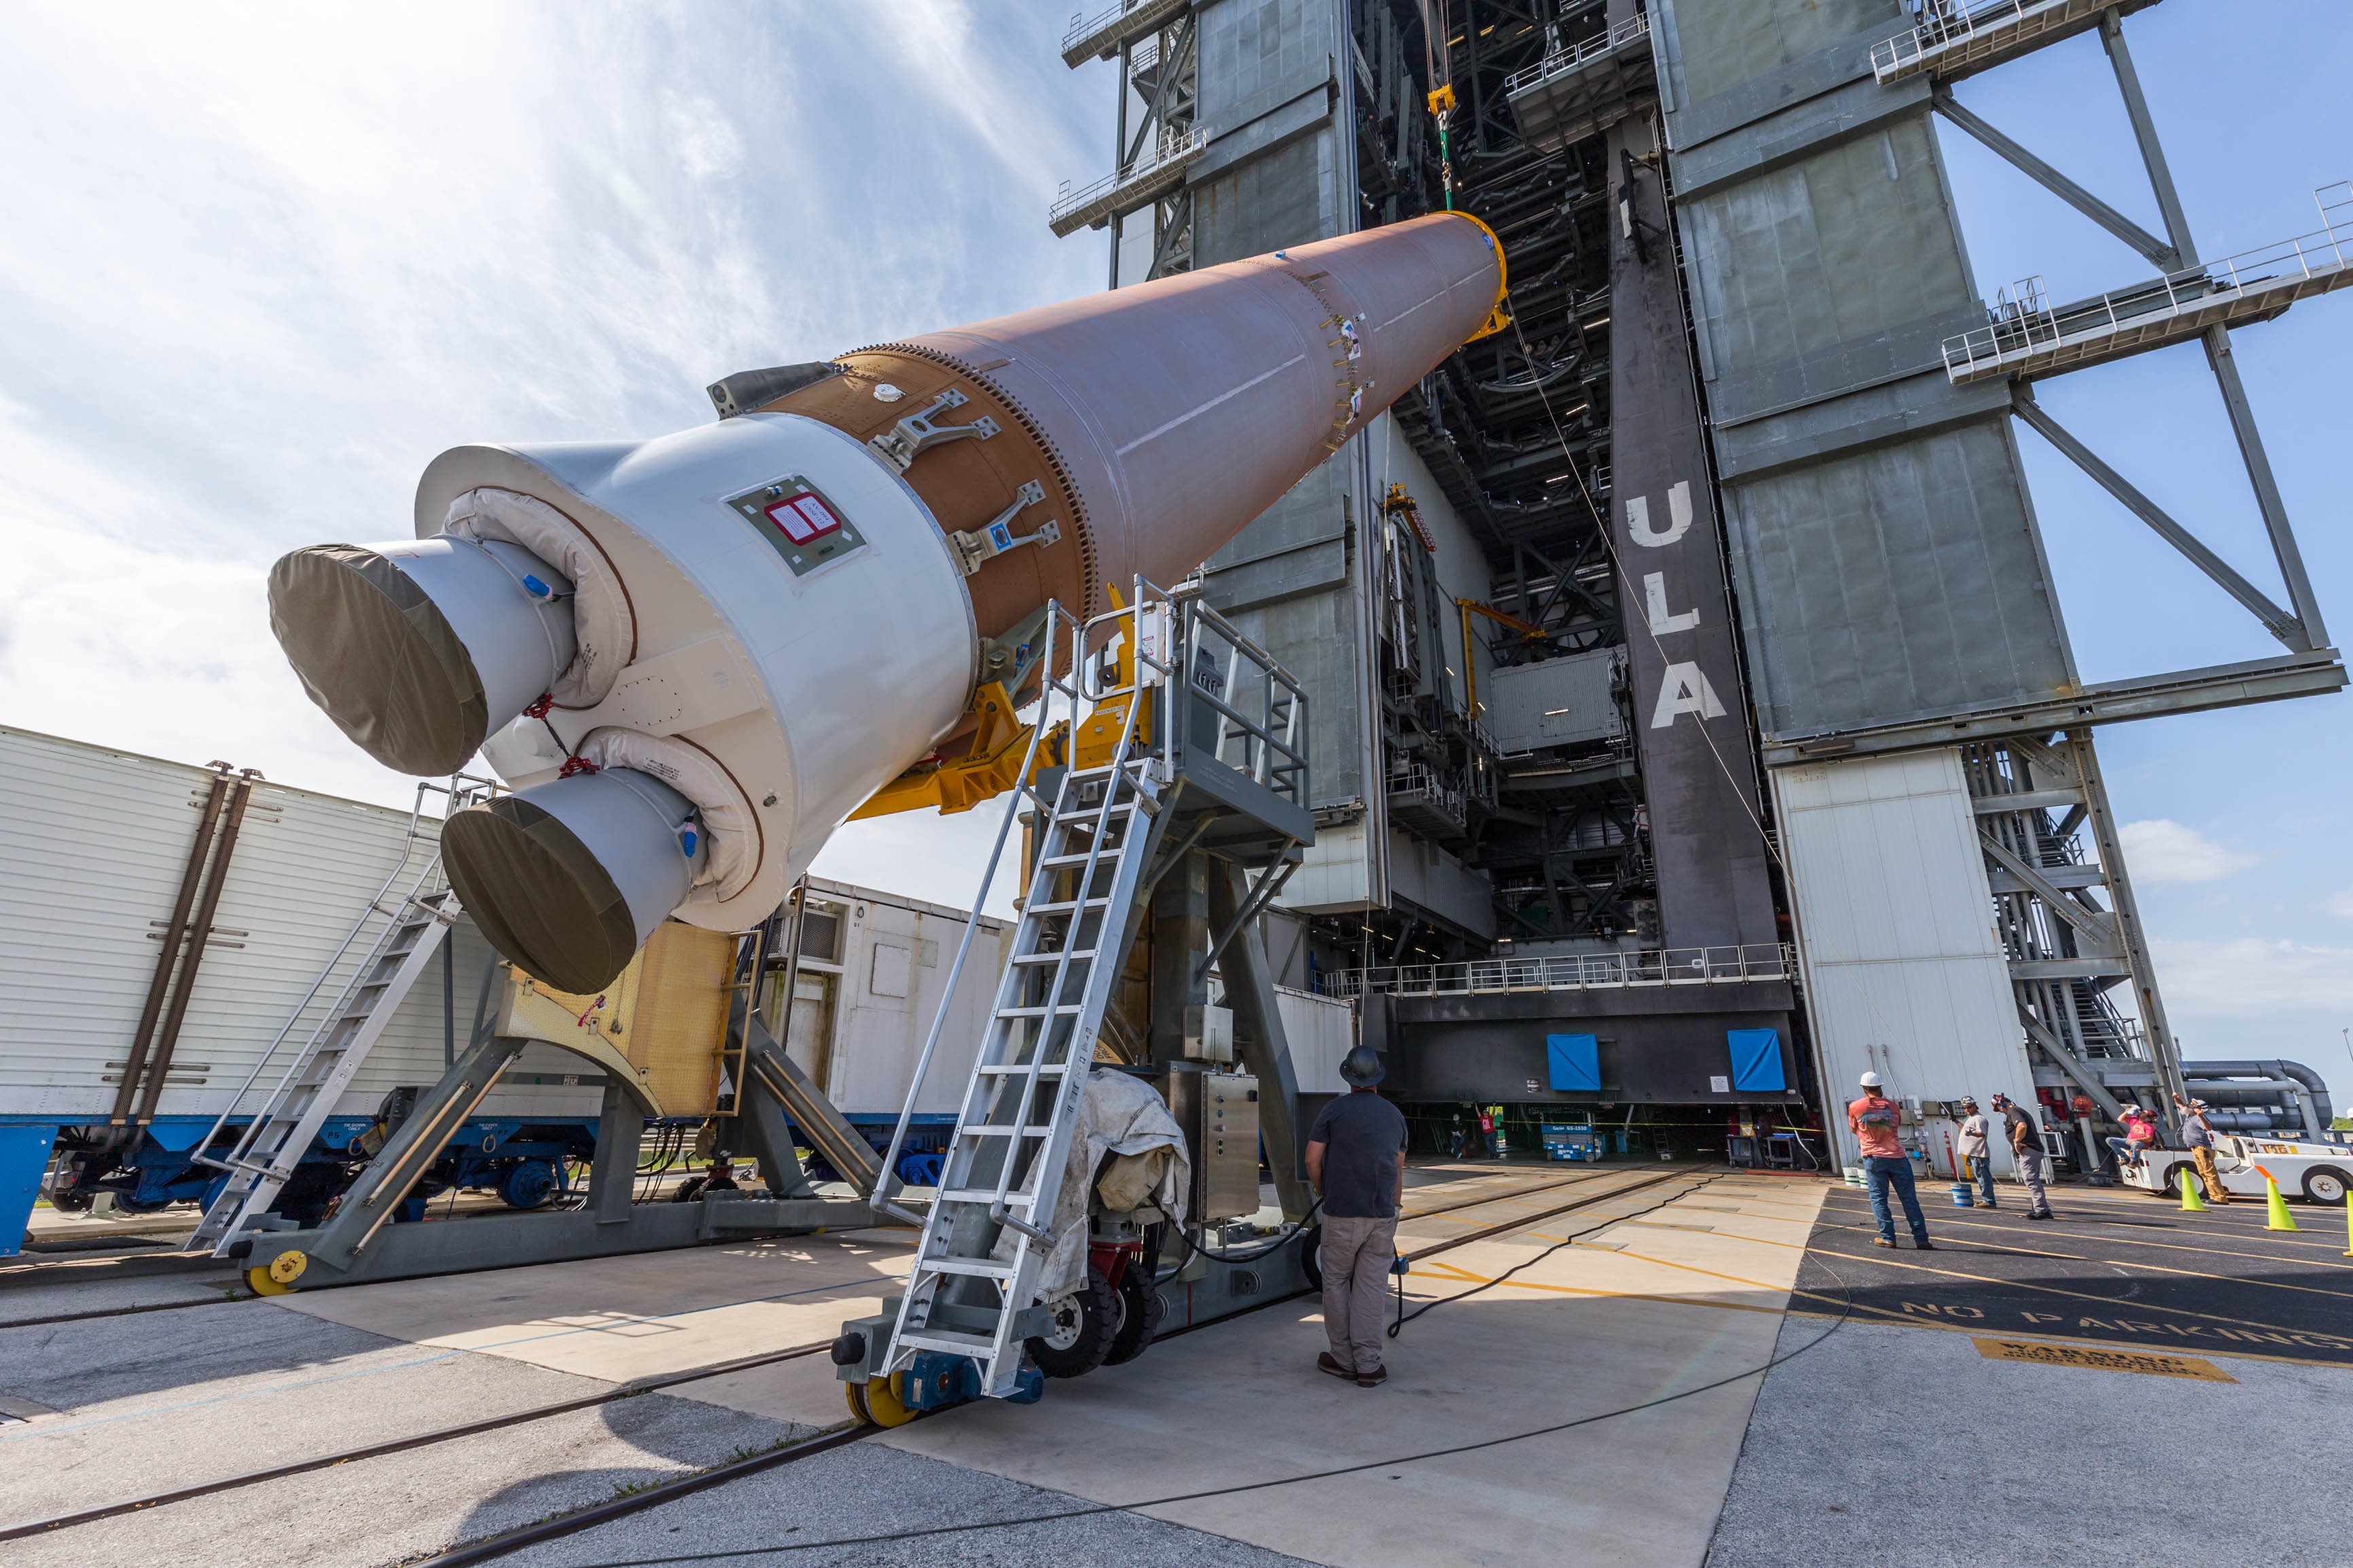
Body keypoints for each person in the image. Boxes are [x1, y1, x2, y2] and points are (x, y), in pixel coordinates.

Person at [1306, 1045, 1409, 1389]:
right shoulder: (1394, 1115)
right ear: (1378, 1078)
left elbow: (1311, 1159)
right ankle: (1368, 1365)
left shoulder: (1333, 1112)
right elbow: (1397, 1168)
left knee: (1335, 1282)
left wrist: (1323, 1189)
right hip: (1382, 1215)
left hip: (1342, 1214)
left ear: (1348, 1077)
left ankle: (1342, 1359)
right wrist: (1393, 1209)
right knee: (1371, 1288)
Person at [1848, 1072, 1933, 1250]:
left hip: (1873, 1157)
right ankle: (1921, 1238)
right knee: (1909, 1199)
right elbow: (1896, 1125)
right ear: (1880, 1087)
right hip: (1897, 1156)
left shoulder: (1856, 1107)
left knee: (1879, 1198)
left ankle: (1888, 1238)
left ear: (1863, 1088)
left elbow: (1854, 1129)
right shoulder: (1893, 1107)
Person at [1991, 1093, 2055, 1220]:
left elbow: (2022, 1126)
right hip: (2031, 1150)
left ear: (2002, 1104)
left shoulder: (2013, 1111)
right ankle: (2039, 1208)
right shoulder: (2016, 1111)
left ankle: (2041, 1210)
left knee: (2031, 1179)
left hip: (2029, 1150)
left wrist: (2017, 1141)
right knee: (2032, 1179)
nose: (2000, 1111)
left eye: (1998, 1108)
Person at [2172, 1092, 2231, 1205]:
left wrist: (2201, 1116)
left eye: (2192, 1104)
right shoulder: (2190, 1114)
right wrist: (2176, 1098)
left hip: (2203, 1148)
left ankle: (2220, 1198)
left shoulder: (2198, 1118)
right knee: (2203, 1172)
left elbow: (2208, 1127)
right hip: (2196, 1148)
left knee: (2209, 1172)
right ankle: (2213, 1196)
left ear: (2198, 1108)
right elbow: (2181, 1105)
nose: (2189, 1104)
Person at [1957, 1097, 1996, 1209]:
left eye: (1969, 1107)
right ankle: (1987, 1199)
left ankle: (1989, 1200)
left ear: (1975, 1106)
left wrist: (1972, 1134)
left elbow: (1981, 1133)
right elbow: (1966, 1129)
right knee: (1980, 1177)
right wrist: (1956, 1121)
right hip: (1974, 1153)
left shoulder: (1979, 1119)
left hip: (1979, 1153)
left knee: (1983, 1177)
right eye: (1965, 1108)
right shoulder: (1971, 1119)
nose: (1967, 1110)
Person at [2105, 1104, 2157, 1175]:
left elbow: (2149, 1139)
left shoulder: (2150, 1126)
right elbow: (2120, 1119)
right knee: (2110, 1140)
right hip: (2129, 1141)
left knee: (2135, 1144)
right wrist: (2126, 1112)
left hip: (2140, 1144)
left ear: (2147, 1118)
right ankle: (2125, 1158)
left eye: (2145, 1113)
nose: (2142, 1113)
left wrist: (2134, 1140)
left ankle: (2134, 1161)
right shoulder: (2134, 1120)